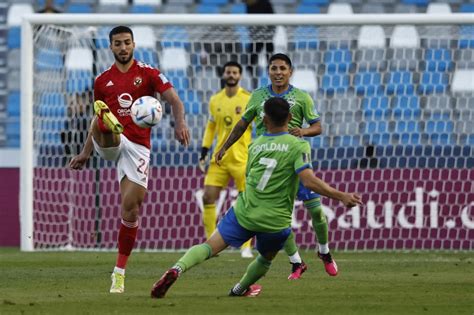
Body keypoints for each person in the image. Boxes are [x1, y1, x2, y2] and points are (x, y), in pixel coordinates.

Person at [150, 97, 362, 298]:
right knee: (265, 258)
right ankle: (239, 288)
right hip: (275, 220)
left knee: (208, 247)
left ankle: (177, 269)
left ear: (264, 120)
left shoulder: (256, 144)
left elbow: (251, 175)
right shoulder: (299, 145)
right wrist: (340, 195)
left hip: (245, 211)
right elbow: (308, 180)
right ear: (289, 118)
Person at [69, 25, 190, 294]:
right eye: (118, 43)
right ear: (110, 47)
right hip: (111, 142)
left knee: (131, 209)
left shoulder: (148, 74)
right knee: (102, 124)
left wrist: (179, 124)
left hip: (138, 147)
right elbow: (93, 119)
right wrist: (86, 152)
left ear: (133, 44)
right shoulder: (101, 81)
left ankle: (119, 273)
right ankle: (109, 125)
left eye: (127, 43)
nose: (123, 48)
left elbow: (175, 101)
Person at [216, 53, 335, 280]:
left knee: (317, 211)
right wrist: (224, 146)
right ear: (268, 71)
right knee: (278, 218)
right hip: (266, 164)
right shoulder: (258, 96)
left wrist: (303, 131)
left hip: (295, 161)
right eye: (273, 68)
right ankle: (296, 262)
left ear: (290, 71)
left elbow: (317, 126)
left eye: (282, 68)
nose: (278, 72)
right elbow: (243, 124)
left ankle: (324, 251)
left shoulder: (301, 98)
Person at [198, 61, 254, 258]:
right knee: (208, 197)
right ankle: (211, 244)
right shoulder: (215, 100)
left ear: (240, 75)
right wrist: (204, 149)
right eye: (228, 71)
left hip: (242, 158)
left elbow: (257, 126)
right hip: (219, 158)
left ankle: (246, 246)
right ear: (223, 74)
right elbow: (211, 126)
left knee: (246, 202)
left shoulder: (248, 98)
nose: (231, 75)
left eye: (235, 72)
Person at [244, 0, 275, 89]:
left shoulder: (266, 3)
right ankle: (254, 84)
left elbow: (273, 21)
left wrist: (266, 34)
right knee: (250, 62)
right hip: (255, 38)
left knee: (271, 62)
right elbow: (250, 22)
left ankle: (273, 85)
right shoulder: (249, 6)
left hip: (267, 37)